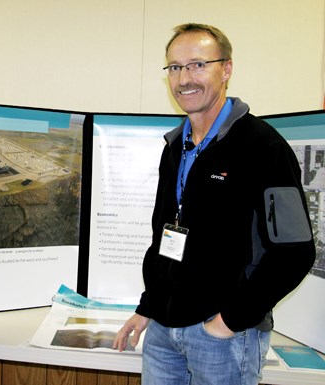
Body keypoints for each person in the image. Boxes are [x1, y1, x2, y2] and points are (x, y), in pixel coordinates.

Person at [113, 23, 316, 385]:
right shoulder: (176, 146)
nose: (184, 78)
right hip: (163, 330)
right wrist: (149, 308)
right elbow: (165, 237)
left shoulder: (263, 148)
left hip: (223, 336)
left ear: (227, 69)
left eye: (197, 64)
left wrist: (227, 323)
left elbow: (295, 252)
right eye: (174, 67)